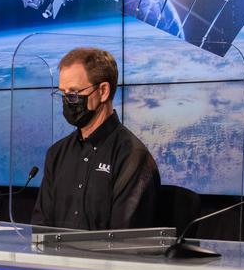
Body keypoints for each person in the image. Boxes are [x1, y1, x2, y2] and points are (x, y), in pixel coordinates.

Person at [32, 47, 158, 230]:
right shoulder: (57, 154)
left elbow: (124, 238)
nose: (67, 101)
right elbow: (39, 227)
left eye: (73, 94)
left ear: (103, 91)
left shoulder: (132, 157)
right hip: (54, 258)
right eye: (63, 93)